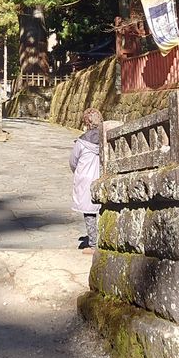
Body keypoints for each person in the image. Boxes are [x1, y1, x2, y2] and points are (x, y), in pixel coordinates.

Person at [69, 107, 102, 255]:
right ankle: (102, 240)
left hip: (85, 178)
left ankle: (94, 244)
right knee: (102, 210)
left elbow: (73, 161)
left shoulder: (81, 142)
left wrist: (77, 171)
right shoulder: (106, 138)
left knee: (89, 213)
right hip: (100, 176)